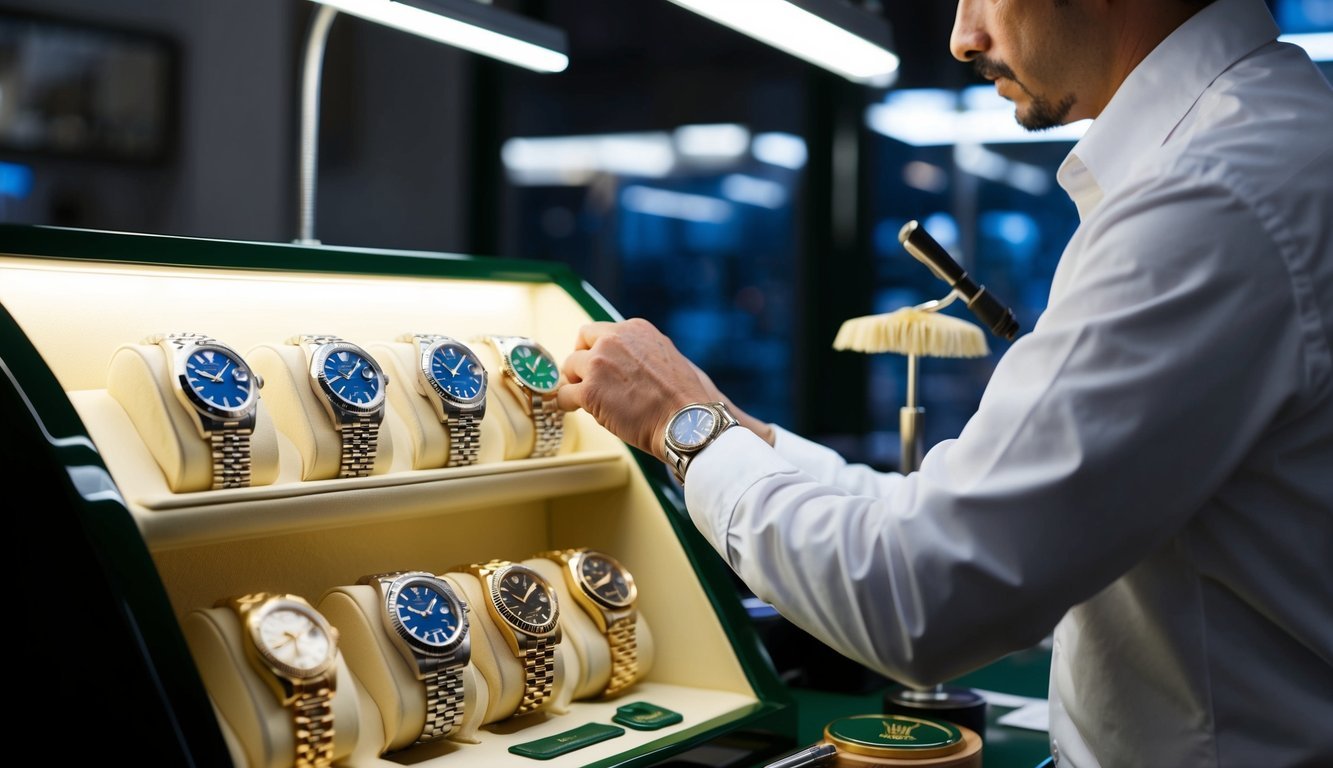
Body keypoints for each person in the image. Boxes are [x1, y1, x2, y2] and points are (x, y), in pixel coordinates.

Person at [556, 0, 1333, 766]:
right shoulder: (1256, 145)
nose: (964, 38)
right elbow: (947, 519)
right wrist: (729, 427)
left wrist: (682, 427)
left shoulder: (1208, 195)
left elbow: (922, 596)